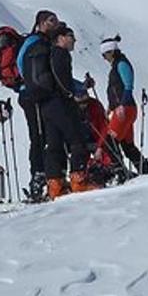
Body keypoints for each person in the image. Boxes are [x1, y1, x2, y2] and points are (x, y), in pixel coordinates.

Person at [40, 23, 98, 197]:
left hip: (46, 104)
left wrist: (78, 87)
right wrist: (70, 94)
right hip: (61, 103)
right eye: (71, 36)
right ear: (61, 38)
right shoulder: (61, 54)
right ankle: (78, 180)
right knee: (77, 138)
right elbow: (63, 79)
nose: (74, 40)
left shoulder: (49, 54)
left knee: (54, 144)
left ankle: (55, 185)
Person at [15, 10, 60, 200]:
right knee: (39, 136)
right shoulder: (35, 42)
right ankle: (39, 177)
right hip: (35, 95)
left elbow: (19, 63)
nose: (55, 23)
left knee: (41, 135)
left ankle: (42, 177)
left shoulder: (35, 42)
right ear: (41, 23)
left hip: (30, 94)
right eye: (52, 20)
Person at [101, 37, 148, 174]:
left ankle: (119, 172)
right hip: (126, 109)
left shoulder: (121, 64)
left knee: (110, 141)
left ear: (111, 52)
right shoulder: (119, 64)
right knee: (127, 144)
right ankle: (145, 171)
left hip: (125, 109)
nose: (104, 58)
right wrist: (111, 106)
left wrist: (121, 105)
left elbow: (128, 85)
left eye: (105, 54)